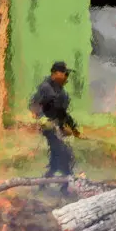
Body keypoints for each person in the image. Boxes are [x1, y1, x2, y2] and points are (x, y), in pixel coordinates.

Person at [29, 61, 80, 192]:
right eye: (64, 73)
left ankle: (46, 184)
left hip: (57, 127)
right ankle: (65, 186)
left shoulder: (60, 90)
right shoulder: (46, 87)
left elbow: (62, 112)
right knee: (66, 155)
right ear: (55, 73)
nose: (66, 75)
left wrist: (71, 128)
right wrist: (41, 118)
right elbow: (36, 105)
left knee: (57, 158)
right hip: (49, 128)